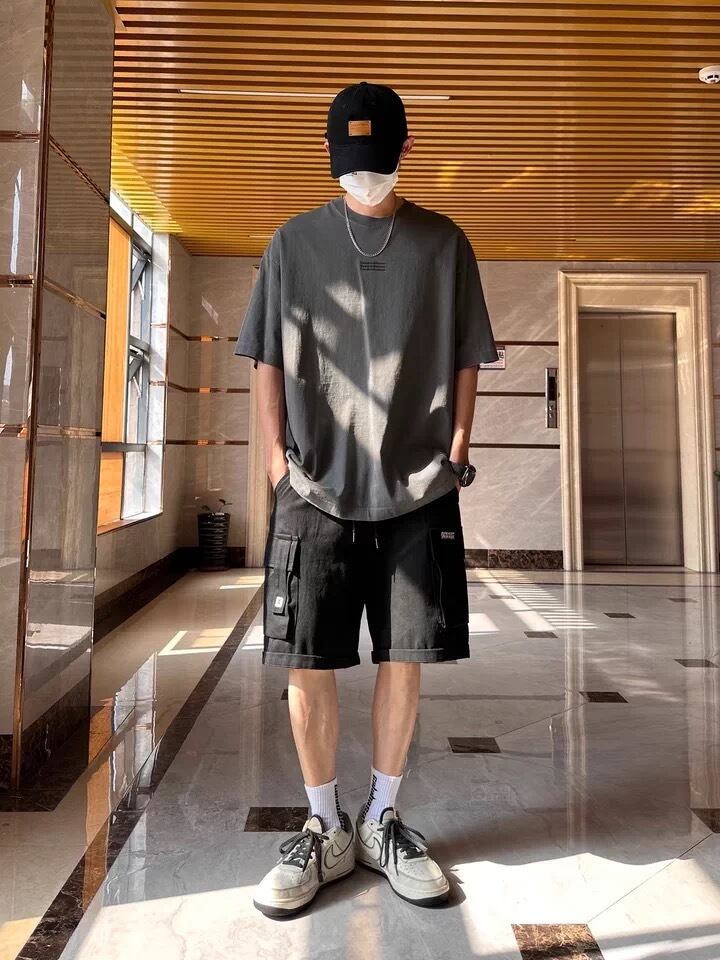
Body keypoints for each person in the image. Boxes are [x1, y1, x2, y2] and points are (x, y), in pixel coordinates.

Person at [234, 81, 498, 918]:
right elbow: (266, 357)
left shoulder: (444, 242)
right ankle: (324, 827)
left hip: (418, 487)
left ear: (405, 152)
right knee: (306, 661)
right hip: (313, 486)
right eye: (351, 162)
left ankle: (383, 819)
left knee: (402, 657)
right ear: (329, 158)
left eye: (378, 160)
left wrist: (457, 450)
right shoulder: (292, 242)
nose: (365, 174)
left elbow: (467, 353)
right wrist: (276, 463)